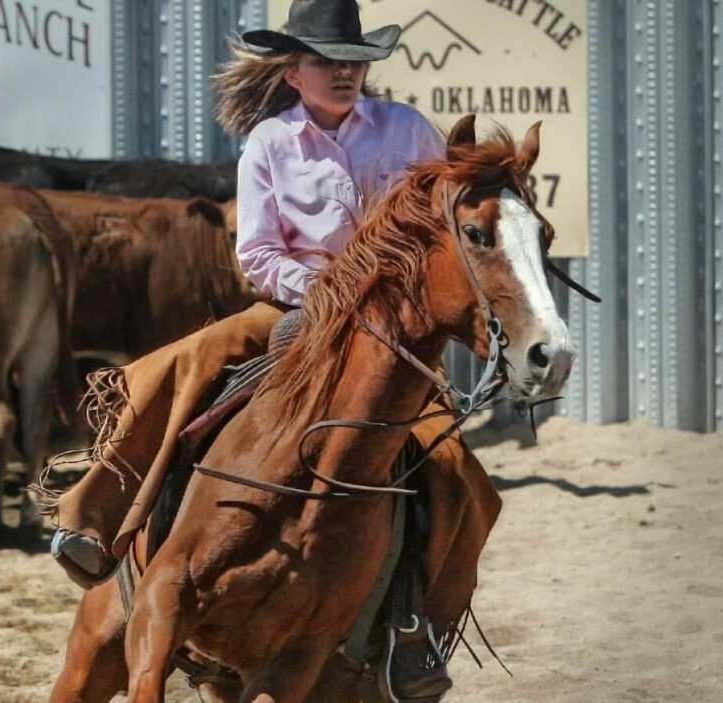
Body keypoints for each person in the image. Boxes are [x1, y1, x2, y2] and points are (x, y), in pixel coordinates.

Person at [48, 0, 499, 699]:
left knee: (453, 468)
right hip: (291, 309)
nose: (345, 71)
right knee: (191, 362)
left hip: (389, 335)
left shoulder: (408, 130)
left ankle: (414, 625)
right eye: (327, 60)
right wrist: (329, 287)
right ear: (294, 70)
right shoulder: (270, 143)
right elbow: (256, 254)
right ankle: (102, 512)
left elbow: (442, 228)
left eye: (353, 59)